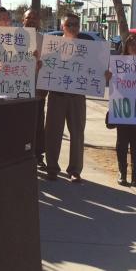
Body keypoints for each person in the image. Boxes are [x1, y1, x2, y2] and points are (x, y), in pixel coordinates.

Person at [44, 13, 110, 183]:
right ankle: (52, 167)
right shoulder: (53, 45)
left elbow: (97, 68)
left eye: (75, 24)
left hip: (77, 96)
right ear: (62, 27)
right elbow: (45, 67)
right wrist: (40, 66)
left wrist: (105, 76)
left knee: (77, 134)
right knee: (53, 133)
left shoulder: (87, 46)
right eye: (69, 24)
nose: (73, 27)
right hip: (57, 96)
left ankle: (75, 170)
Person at [111, 33, 136, 187]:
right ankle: (122, 172)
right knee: (122, 142)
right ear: (126, 46)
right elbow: (112, 83)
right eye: (132, 44)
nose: (135, 47)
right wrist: (108, 76)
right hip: (122, 108)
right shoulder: (119, 63)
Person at [23, 8, 48, 169]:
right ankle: (20, 154)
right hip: (16, 91)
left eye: (34, 17)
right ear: (22, 20)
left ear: (39, 22)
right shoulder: (11, 37)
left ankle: (38, 155)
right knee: (20, 124)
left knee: (38, 125)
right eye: (28, 17)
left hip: (37, 90)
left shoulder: (44, 40)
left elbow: (49, 66)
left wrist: (43, 87)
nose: (31, 20)